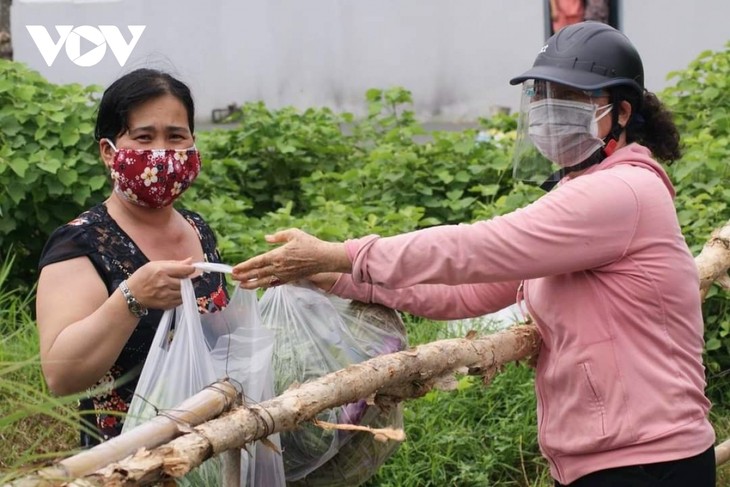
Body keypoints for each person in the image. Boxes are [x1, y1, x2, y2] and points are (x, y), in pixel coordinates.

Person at [231, 22, 716, 486]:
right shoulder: (584, 192)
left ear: (623, 112)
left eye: (571, 98)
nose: (550, 110)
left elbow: (476, 247)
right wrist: (337, 278)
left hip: (649, 461)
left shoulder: (621, 192)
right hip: (603, 457)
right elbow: (469, 289)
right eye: (544, 96)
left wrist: (343, 253)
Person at [36, 69, 229, 447]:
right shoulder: (81, 243)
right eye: (144, 137)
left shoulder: (197, 228)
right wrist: (131, 299)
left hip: (212, 445)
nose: (163, 152)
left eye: (176, 136)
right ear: (109, 151)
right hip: (129, 459)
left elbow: (219, 341)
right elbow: (60, 376)